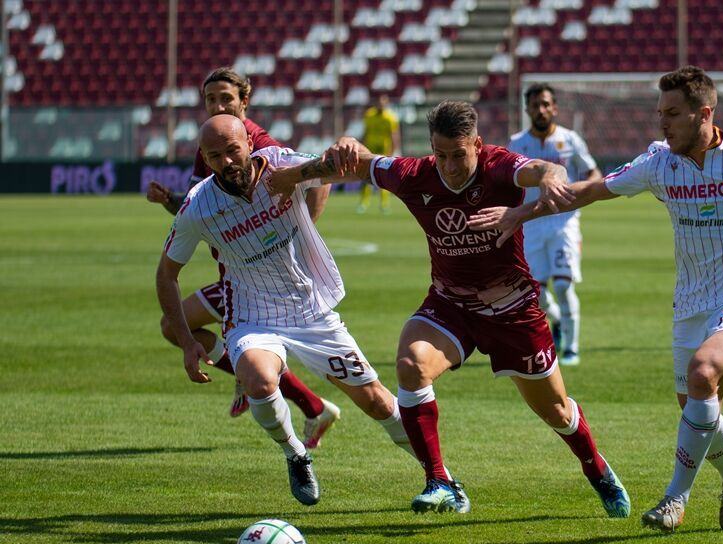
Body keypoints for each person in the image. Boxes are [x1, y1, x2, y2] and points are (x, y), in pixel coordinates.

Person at [468, 67, 723, 532]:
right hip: (691, 301)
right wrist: (520, 213)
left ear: (704, 113)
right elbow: (589, 191)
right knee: (699, 408)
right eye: (659, 113)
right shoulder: (659, 160)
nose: (662, 123)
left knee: (703, 373)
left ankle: (673, 499)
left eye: (672, 114)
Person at [268, 100, 630, 517]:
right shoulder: (414, 174)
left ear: (477, 144)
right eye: (441, 155)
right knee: (410, 364)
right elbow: (360, 163)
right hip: (451, 305)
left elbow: (547, 171)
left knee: (556, 411)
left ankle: (596, 468)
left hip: (512, 309)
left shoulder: (499, 166)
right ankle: (440, 481)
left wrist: (548, 181)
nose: (451, 166)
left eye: (459, 155)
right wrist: (335, 152)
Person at [156, 115, 420, 506]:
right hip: (253, 316)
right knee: (259, 382)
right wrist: (184, 342)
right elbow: (166, 275)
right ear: (205, 160)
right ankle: (296, 453)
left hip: (312, 309)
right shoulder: (198, 207)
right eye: (215, 156)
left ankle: (439, 475)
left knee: (378, 402)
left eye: (233, 150)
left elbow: (345, 165)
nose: (227, 161)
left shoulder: (280, 163)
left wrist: (340, 145)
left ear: (248, 142)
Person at [147, 67, 338, 444]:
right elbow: (194, 213)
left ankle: (308, 404)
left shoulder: (255, 143)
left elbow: (317, 175)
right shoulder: (215, 145)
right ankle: (311, 405)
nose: (218, 105)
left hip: (260, 278)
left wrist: (299, 231)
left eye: (226, 98)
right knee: (177, 327)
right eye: (210, 99)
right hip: (237, 271)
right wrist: (169, 200)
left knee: (181, 328)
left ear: (244, 102)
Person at [508, 83, 602, 366]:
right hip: (532, 224)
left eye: (546, 104)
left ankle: (571, 349)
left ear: (555, 108)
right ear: (527, 110)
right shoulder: (516, 143)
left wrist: (589, 189)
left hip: (564, 222)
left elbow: (592, 170)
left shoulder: (570, 139)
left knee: (562, 286)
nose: (541, 110)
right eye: (535, 105)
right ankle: (557, 321)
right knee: (538, 293)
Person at [357, 94, 401, 214]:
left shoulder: (390, 118)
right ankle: (364, 203)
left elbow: (394, 135)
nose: (381, 105)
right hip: (370, 150)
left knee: (383, 178)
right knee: (366, 177)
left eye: (383, 103)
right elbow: (366, 132)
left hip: (384, 151)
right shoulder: (369, 115)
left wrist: (393, 151)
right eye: (379, 103)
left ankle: (384, 204)